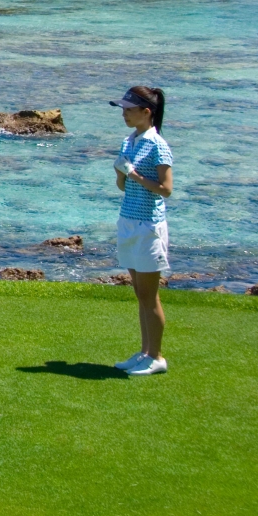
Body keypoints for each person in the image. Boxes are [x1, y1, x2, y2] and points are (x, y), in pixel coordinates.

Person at [109, 86, 173, 377]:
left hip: (149, 225)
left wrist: (133, 173)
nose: (124, 114)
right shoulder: (129, 141)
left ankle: (156, 356)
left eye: (129, 109)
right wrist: (121, 173)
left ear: (146, 112)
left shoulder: (157, 144)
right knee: (139, 293)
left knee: (150, 295)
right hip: (128, 220)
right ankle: (145, 352)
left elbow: (166, 189)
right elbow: (123, 187)